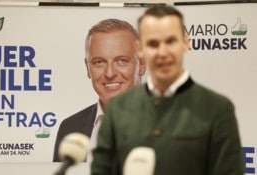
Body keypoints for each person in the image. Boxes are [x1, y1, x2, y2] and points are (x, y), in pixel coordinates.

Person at [91, 5, 244, 175]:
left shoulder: (217, 109)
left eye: (170, 41)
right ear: (140, 49)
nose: (162, 52)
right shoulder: (117, 109)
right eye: (153, 43)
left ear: (185, 43)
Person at [53, 18, 146, 162]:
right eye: (99, 62)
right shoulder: (70, 128)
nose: (110, 73)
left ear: (142, 64)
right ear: (87, 68)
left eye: (121, 60)